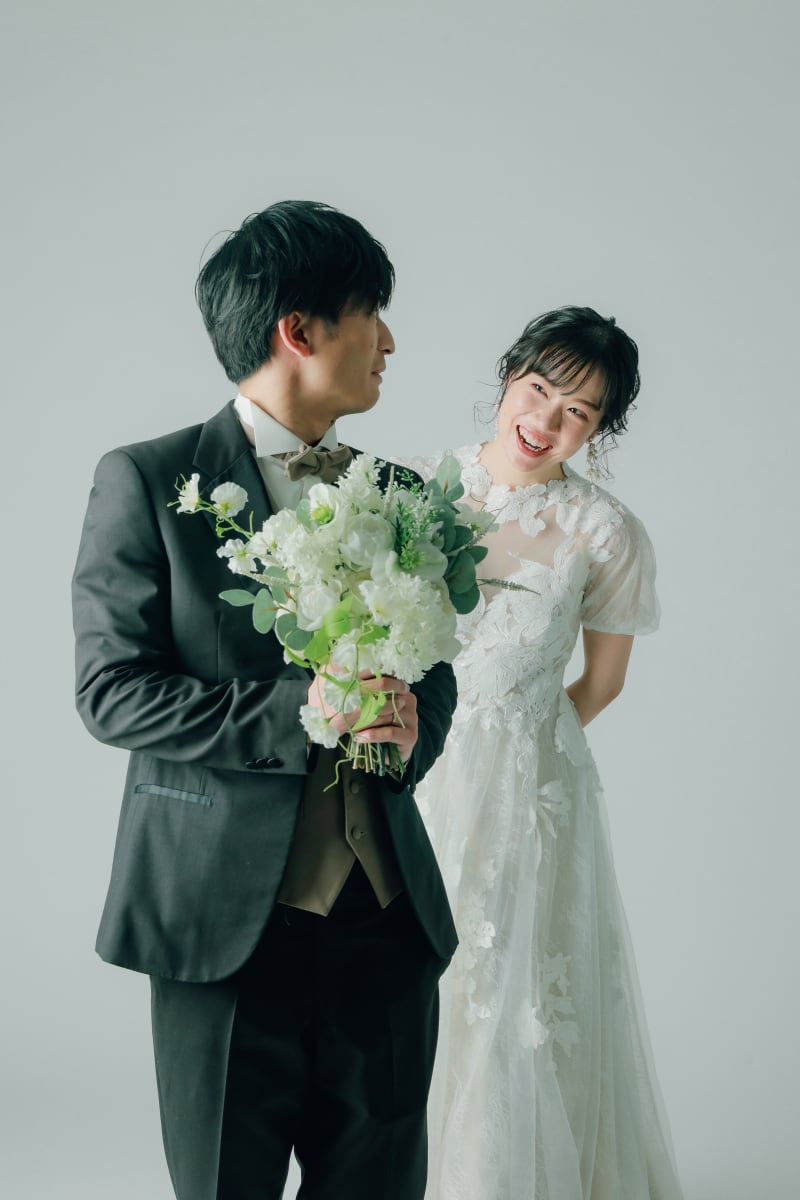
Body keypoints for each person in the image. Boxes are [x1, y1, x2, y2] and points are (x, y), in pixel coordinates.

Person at [72, 200, 458, 1200]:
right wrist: (302, 709)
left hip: (385, 920)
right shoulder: (150, 481)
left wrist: (410, 727)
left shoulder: (399, 490)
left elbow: (435, 667)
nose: (388, 341)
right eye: (370, 313)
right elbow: (112, 692)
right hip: (220, 924)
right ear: (300, 330)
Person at [409, 307, 683, 1199]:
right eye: (538, 390)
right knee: (407, 987)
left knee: (508, 992)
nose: (547, 421)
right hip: (409, 778)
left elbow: (601, 684)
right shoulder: (423, 488)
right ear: (508, 377)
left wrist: (519, 750)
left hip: (527, 794)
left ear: (599, 430)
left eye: (579, 412)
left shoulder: (605, 532)